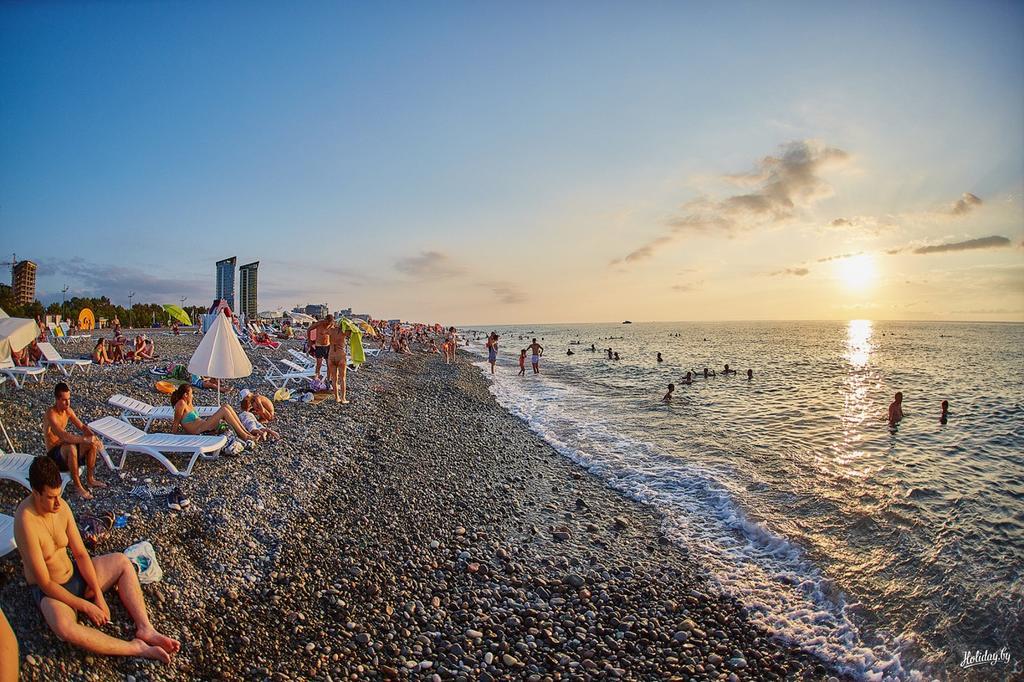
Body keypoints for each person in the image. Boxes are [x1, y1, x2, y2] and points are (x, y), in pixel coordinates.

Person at [14, 457, 179, 664]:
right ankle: (135, 648)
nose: (57, 502)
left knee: (122, 562)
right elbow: (45, 583)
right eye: (50, 497)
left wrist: (98, 594)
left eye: (59, 495)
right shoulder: (26, 522)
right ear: (35, 492)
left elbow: (81, 554)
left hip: (73, 575)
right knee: (64, 629)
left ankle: (146, 628)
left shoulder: (61, 507)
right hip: (52, 592)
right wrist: (86, 606)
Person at [44, 382, 105, 500]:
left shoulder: (68, 411)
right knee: (72, 448)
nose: (67, 403)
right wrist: (85, 439)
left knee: (91, 445)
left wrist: (93, 437)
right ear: (57, 399)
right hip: (54, 456)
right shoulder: (51, 414)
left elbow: (82, 426)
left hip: (63, 449)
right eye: (64, 400)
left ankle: (90, 479)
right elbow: (64, 436)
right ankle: (78, 487)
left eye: (69, 399)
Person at [171, 385, 256, 442]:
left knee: (226, 406)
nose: (192, 395)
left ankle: (245, 432)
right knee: (224, 411)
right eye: (191, 393)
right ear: (185, 394)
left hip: (204, 425)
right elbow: (176, 423)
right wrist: (172, 439)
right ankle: (244, 436)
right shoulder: (181, 404)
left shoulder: (188, 403)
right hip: (198, 431)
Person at [325, 319, 352, 404]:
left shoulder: (331, 330)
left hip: (331, 356)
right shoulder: (345, 332)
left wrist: (332, 325)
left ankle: (337, 398)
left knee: (334, 379)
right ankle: (343, 398)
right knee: (342, 379)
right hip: (340, 356)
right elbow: (353, 332)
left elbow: (325, 331)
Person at [310, 315, 334, 379]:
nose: (328, 324)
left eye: (329, 323)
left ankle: (329, 379)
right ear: (325, 320)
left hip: (328, 346)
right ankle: (317, 378)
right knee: (319, 364)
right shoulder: (319, 324)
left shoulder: (332, 325)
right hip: (319, 346)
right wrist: (309, 341)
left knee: (329, 364)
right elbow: (309, 329)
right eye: (327, 322)